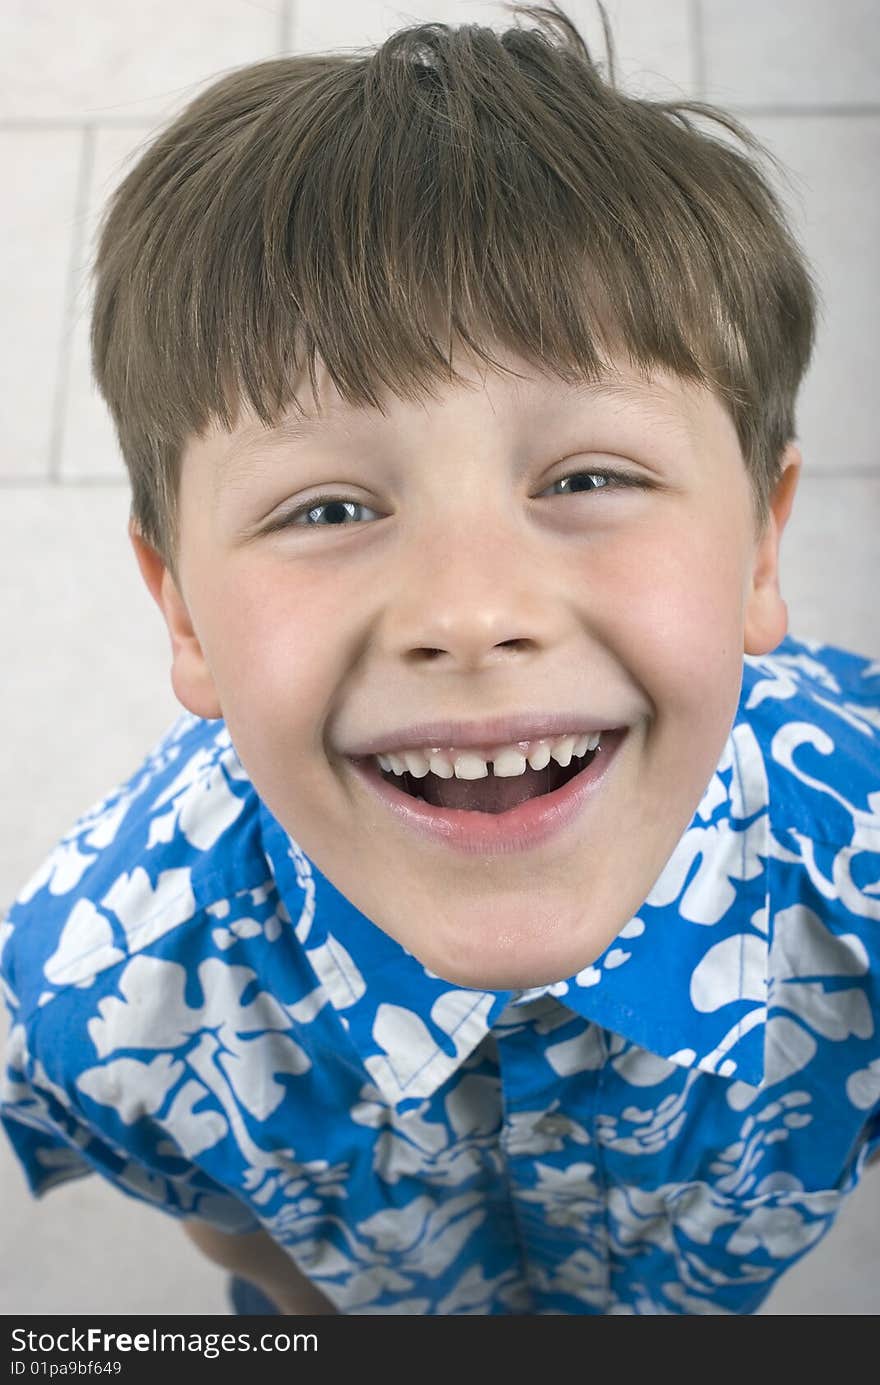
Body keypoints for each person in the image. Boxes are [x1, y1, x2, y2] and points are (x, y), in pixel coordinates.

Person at [2, 2, 878, 1318]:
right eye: (330, 507)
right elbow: (236, 1239)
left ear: (760, 544)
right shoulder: (96, 990)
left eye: (590, 474)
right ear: (180, 608)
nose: (470, 613)